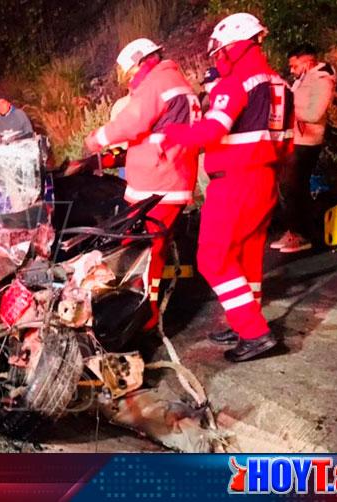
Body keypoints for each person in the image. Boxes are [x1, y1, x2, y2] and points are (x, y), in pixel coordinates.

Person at [159, 13, 294, 362]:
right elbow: (289, 142)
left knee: (213, 259)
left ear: (233, 47)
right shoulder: (280, 84)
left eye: (219, 51)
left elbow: (210, 132)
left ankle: (254, 333)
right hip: (267, 179)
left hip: (234, 181)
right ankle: (244, 319)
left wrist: (172, 133)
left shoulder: (236, 82)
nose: (217, 58)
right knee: (248, 255)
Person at [83, 38, 201, 332]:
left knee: (141, 252)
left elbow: (132, 123)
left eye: (129, 72)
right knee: (152, 251)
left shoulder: (158, 82)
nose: (129, 80)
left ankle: (141, 314)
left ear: (139, 62)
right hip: (169, 179)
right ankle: (146, 307)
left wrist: (96, 140)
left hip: (158, 184)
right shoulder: (177, 82)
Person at [269, 44, 337, 253]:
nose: (291, 70)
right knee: (291, 188)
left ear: (306, 60)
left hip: (307, 142)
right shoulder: (304, 79)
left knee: (294, 189)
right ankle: (295, 231)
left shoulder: (322, 79)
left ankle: (301, 234)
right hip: (296, 139)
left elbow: (316, 113)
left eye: (294, 65)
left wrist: (290, 110)